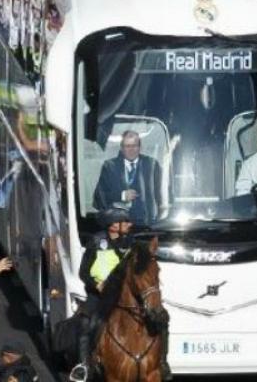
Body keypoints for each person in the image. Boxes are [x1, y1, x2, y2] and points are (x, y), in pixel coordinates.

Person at [71, 207, 134, 382]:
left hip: (122, 294)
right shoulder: (96, 241)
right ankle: (82, 366)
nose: (130, 224)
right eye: (125, 221)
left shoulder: (129, 242)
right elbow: (83, 272)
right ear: (113, 225)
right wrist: (96, 284)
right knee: (86, 325)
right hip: (98, 295)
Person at [93, 130, 163, 226]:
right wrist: (122, 196)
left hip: (148, 226)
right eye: (127, 146)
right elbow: (99, 198)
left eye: (134, 146)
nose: (131, 149)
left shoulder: (152, 165)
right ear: (121, 148)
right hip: (119, 228)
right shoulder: (110, 167)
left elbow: (162, 196)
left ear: (140, 147)